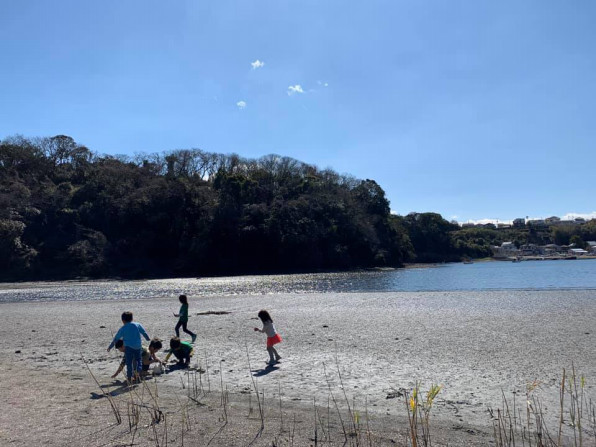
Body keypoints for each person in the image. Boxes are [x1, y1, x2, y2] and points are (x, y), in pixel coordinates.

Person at [107, 311, 150, 382]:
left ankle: (129, 377)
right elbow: (144, 332)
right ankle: (138, 372)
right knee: (138, 360)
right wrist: (147, 338)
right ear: (132, 318)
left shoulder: (123, 328)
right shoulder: (137, 324)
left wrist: (110, 346)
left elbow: (116, 338)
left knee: (129, 363)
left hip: (128, 347)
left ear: (123, 320)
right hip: (138, 347)